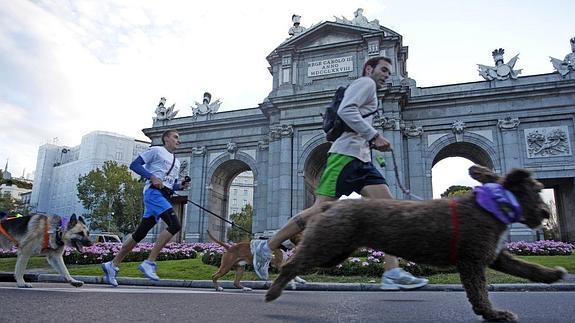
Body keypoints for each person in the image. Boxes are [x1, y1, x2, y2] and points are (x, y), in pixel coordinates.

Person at [251, 56, 428, 290]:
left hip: (361, 160)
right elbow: (346, 110)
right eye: (383, 69)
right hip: (345, 158)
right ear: (369, 69)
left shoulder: (371, 90)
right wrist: (374, 135)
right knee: (318, 210)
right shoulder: (365, 83)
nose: (386, 74)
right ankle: (267, 245)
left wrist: (370, 140)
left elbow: (354, 118)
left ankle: (392, 271)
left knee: (389, 211)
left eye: (388, 71)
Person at [101, 129, 189, 287]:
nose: (179, 141)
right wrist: (151, 177)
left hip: (164, 196)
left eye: (179, 138)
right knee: (175, 225)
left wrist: (180, 185)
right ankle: (149, 262)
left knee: (139, 234)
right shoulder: (156, 151)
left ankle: (112, 265)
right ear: (166, 139)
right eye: (176, 137)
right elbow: (134, 165)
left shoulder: (176, 161)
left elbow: (170, 184)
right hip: (153, 194)